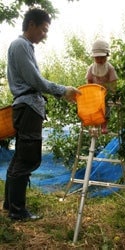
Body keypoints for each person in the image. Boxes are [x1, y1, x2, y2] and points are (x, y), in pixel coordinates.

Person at [3, 8, 80, 221]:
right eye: (43, 30)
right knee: (26, 158)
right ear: (32, 25)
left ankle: (11, 206)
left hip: (27, 108)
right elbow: (36, 81)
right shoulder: (20, 45)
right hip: (28, 108)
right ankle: (18, 212)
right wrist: (63, 90)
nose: (45, 34)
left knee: (20, 157)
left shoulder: (24, 46)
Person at [85, 39, 118, 134]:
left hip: (106, 92)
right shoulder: (91, 68)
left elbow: (113, 81)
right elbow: (89, 80)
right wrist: (90, 91)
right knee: (94, 108)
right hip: (95, 93)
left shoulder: (110, 68)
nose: (99, 60)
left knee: (106, 107)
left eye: (102, 57)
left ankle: (104, 125)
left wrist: (112, 92)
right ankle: (94, 124)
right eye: (97, 58)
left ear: (107, 56)